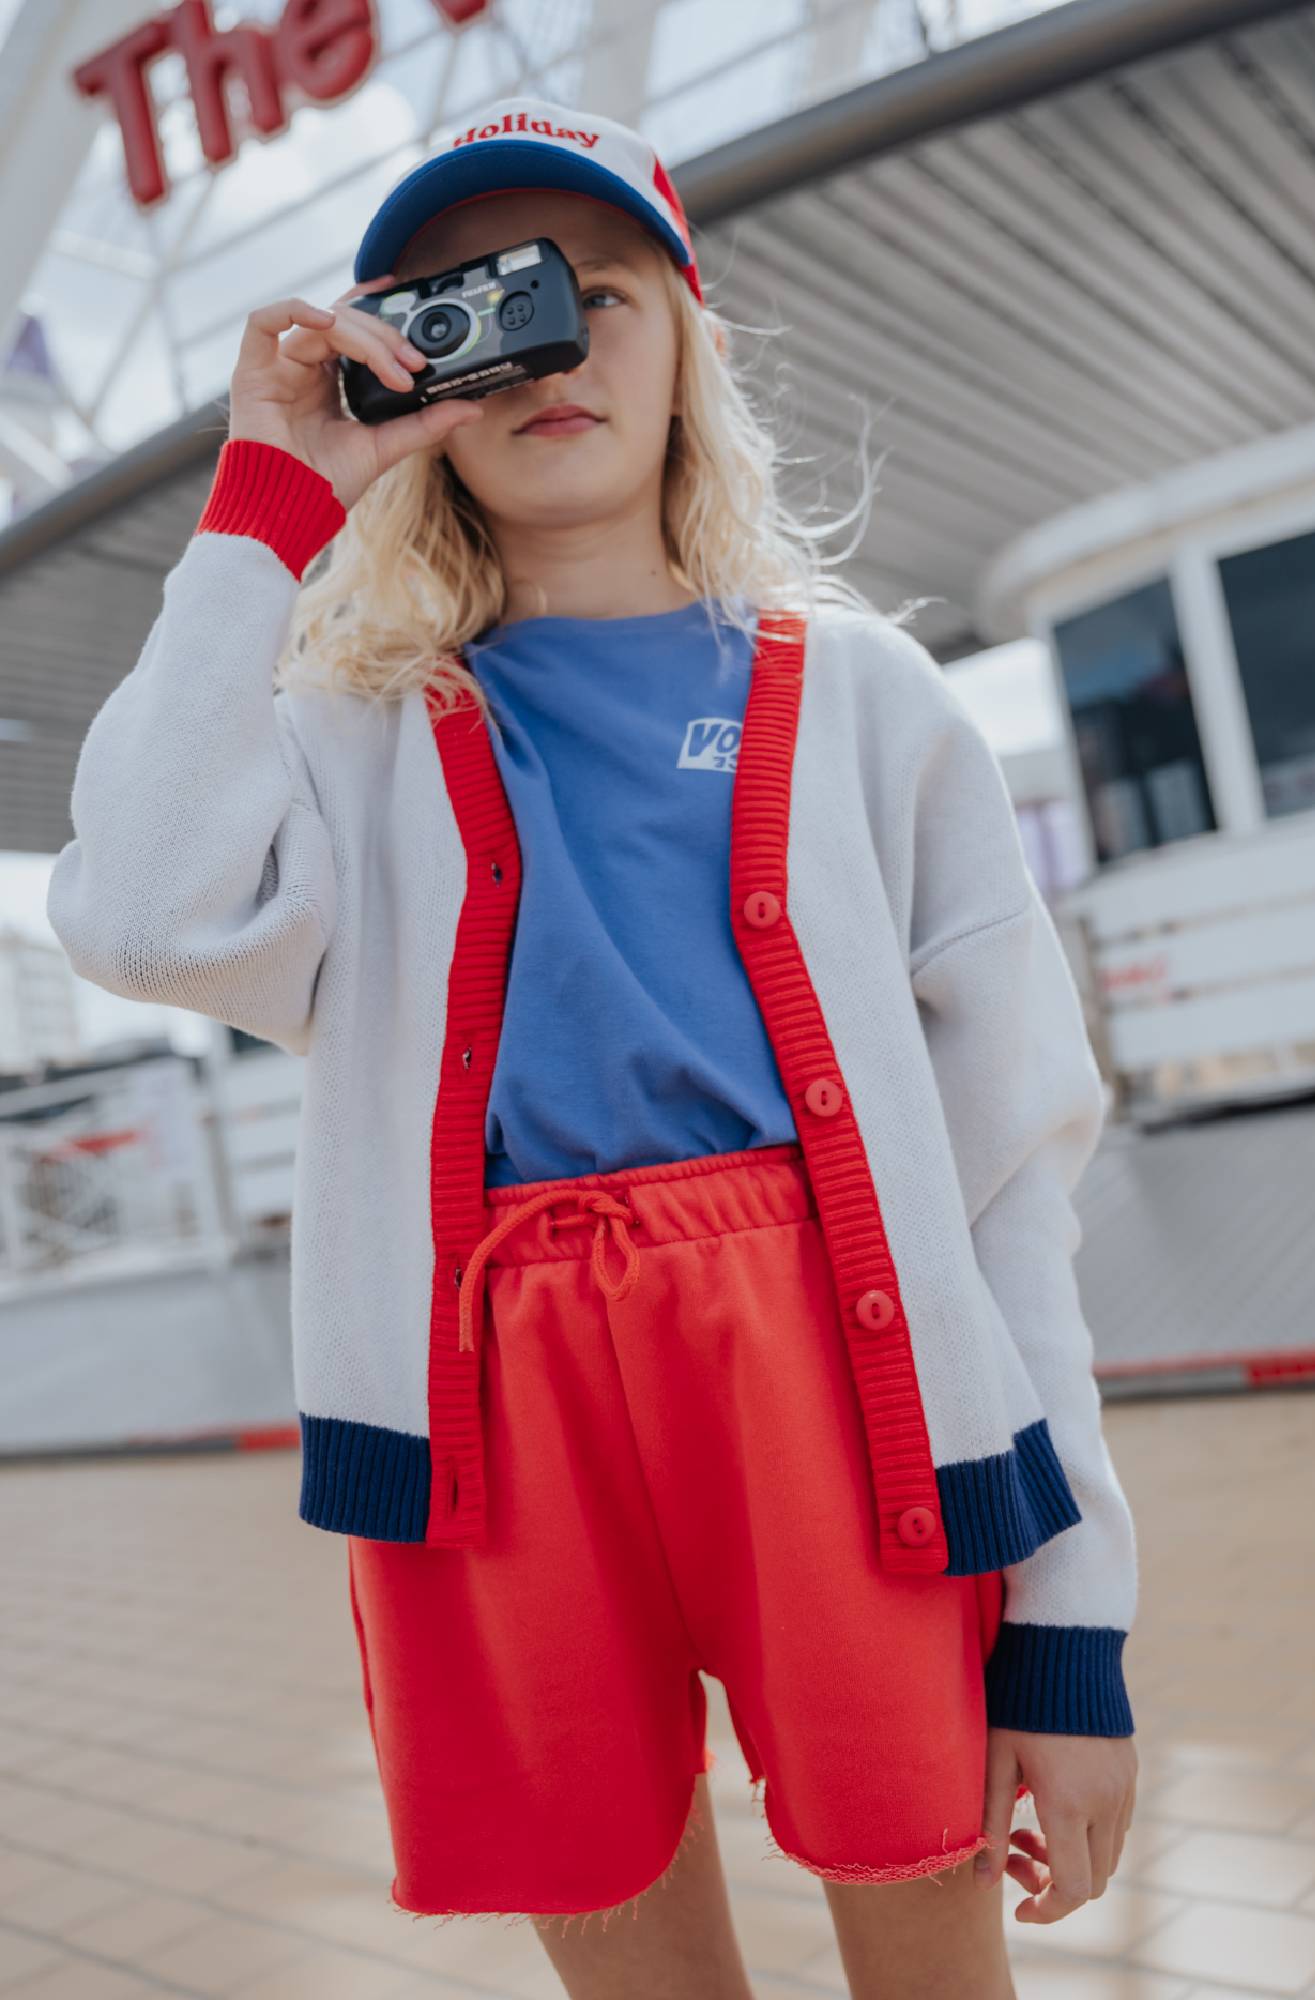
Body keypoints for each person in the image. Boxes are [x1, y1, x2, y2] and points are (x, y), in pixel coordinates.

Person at [47, 94, 1139, 2000]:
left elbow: (1009, 1184)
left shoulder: (871, 702)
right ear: (415, 380)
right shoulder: (351, 742)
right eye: (478, 310)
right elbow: (136, 912)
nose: (550, 343)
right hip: (486, 1423)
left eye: (600, 292)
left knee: (929, 1923)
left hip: (847, 1393)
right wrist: (270, 495)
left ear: (690, 350)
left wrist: (1073, 1630)